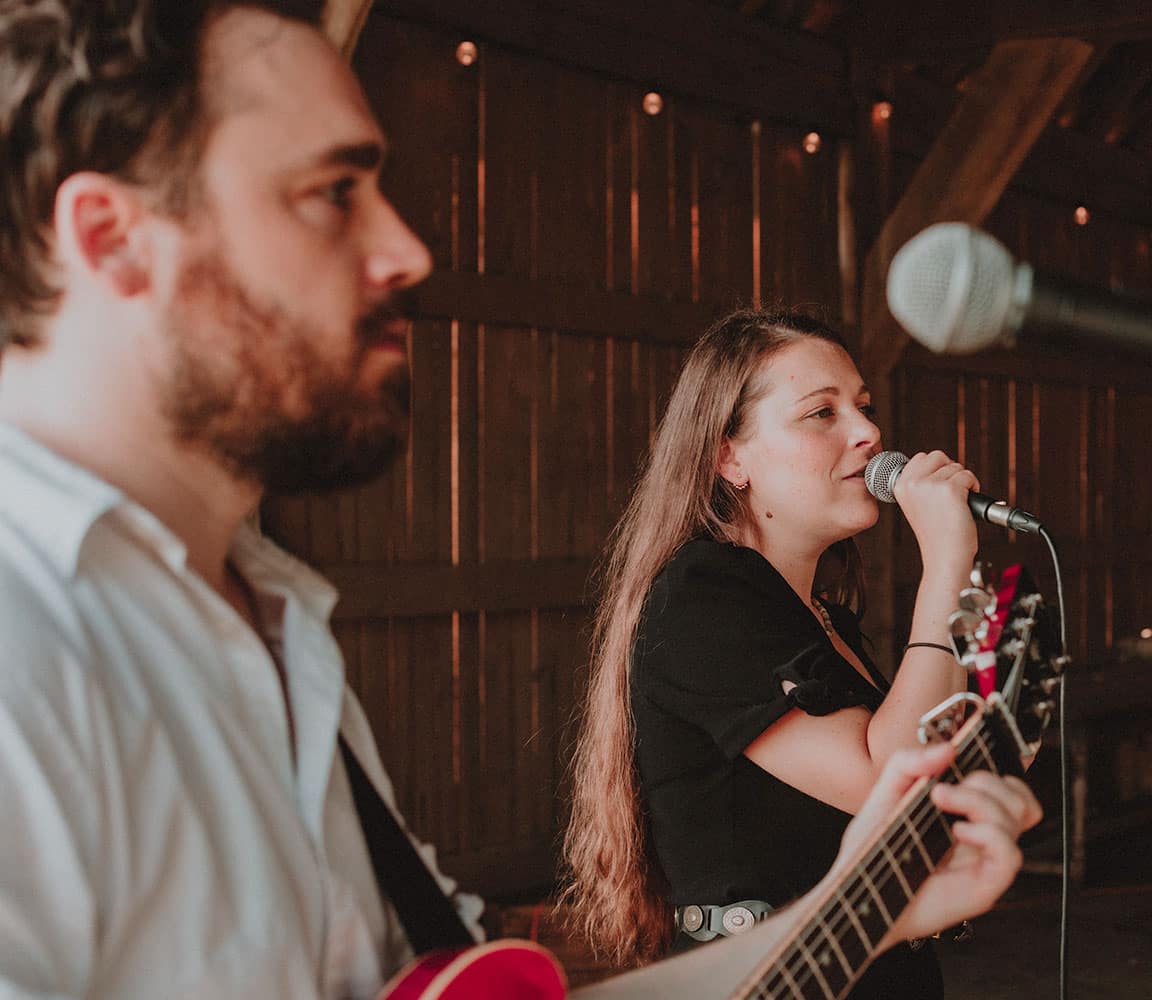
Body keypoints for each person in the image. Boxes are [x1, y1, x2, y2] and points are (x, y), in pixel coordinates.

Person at [0, 3, 1040, 998]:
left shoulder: (271, 623)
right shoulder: (26, 640)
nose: (407, 250)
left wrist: (859, 912)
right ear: (113, 236)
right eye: (332, 192)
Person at [563, 309, 1036, 999]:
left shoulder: (821, 617)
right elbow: (890, 781)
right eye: (822, 413)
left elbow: (930, 784)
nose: (868, 433)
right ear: (730, 457)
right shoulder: (700, 599)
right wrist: (947, 560)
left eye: (863, 407)